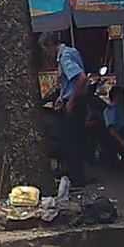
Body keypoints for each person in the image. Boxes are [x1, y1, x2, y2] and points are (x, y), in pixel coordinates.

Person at [41, 31, 89, 187]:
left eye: (46, 50)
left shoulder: (65, 57)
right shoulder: (72, 51)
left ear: (50, 45)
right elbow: (69, 83)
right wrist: (62, 97)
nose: (47, 54)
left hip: (75, 103)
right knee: (76, 140)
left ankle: (77, 178)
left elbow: (81, 78)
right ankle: (77, 176)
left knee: (71, 141)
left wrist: (71, 101)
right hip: (76, 100)